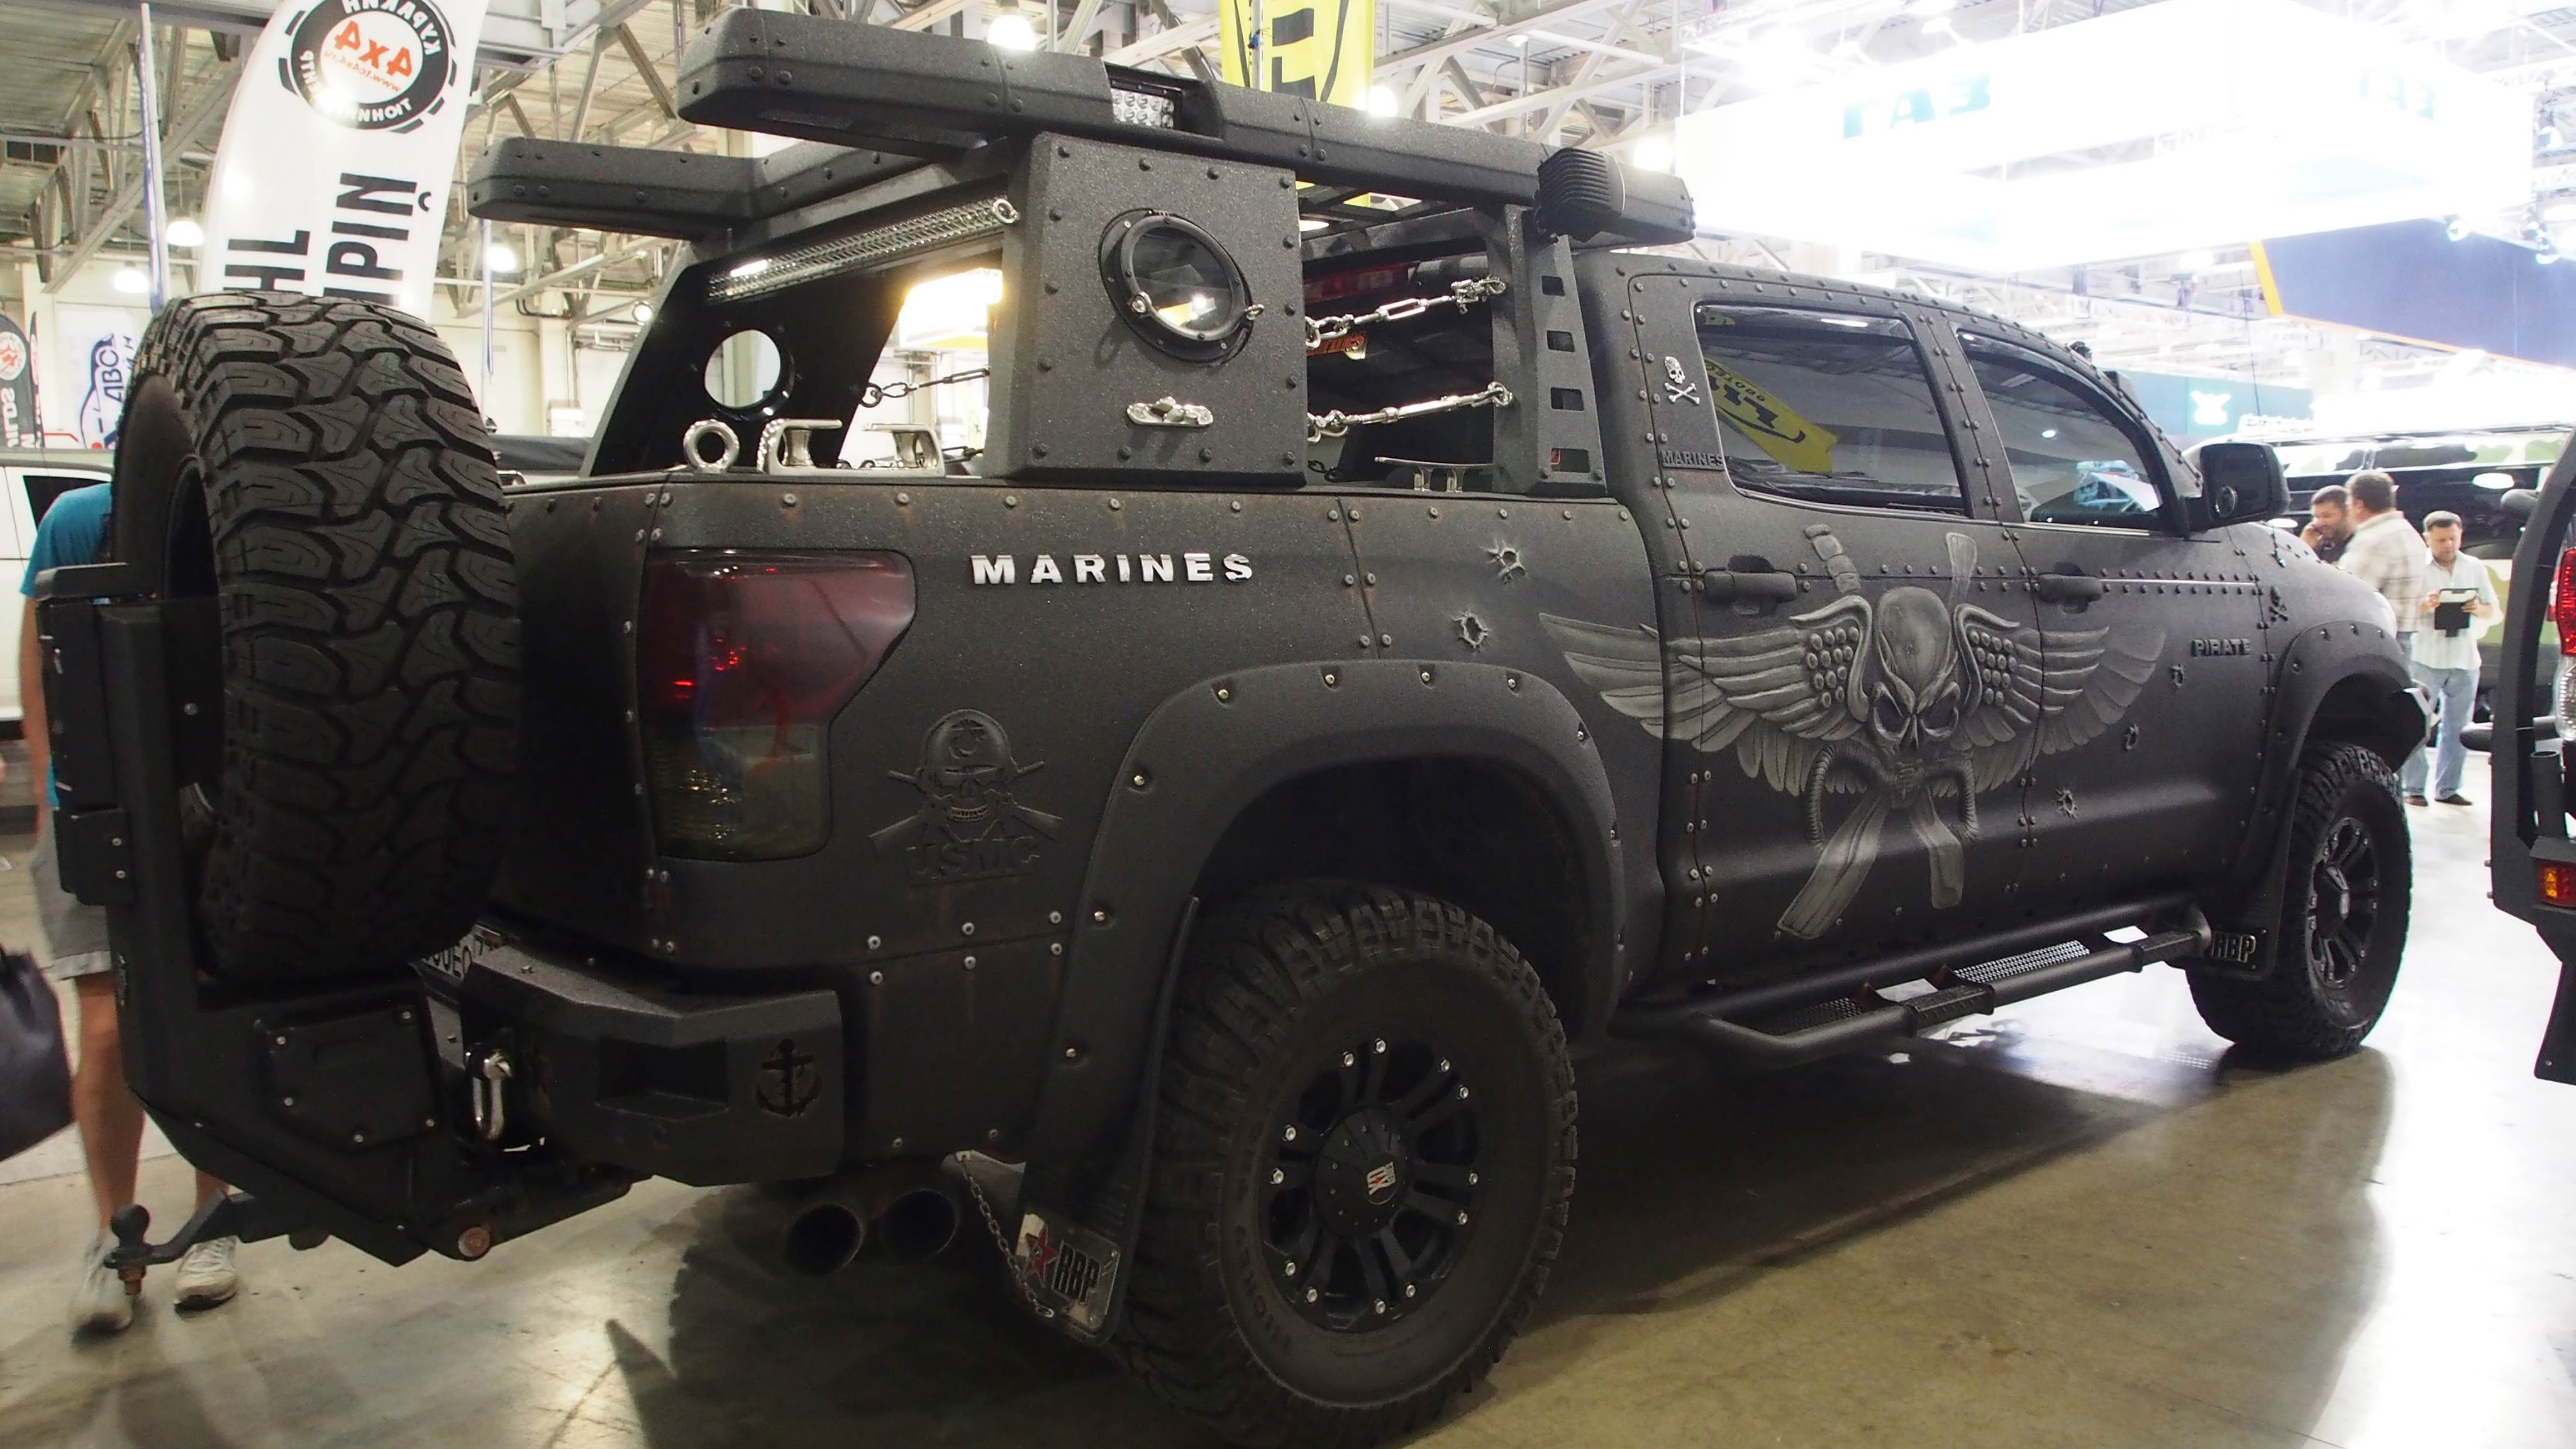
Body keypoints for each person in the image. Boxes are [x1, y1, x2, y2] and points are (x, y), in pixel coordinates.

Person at [21, 483, 240, 1335]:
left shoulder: (237, 506)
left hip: (205, 806)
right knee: (109, 1031)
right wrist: (51, 791)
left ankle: (215, 1218)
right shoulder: (81, 520)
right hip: (96, 806)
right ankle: (113, 1237)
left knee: (208, 1009)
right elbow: (40, 659)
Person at [2402, 510, 2499, 806]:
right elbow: (2400, 612)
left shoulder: (2474, 567)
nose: (2448, 545)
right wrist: (2423, 605)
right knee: (2416, 724)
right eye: (2441, 540)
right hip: (2425, 655)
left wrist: (2477, 608)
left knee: (2459, 727)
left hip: (2464, 657)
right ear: (2427, 538)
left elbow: (2494, 612)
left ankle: (2448, 788)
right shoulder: (2416, 568)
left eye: (2453, 539)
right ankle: (2413, 788)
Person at [2337, 470, 2426, 652]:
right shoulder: (2409, 532)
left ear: (2359, 504)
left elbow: (2350, 595)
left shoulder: (2374, 539)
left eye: (2349, 504)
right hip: (2404, 637)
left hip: (2375, 640)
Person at [2302, 484, 2352, 565]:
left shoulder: (2358, 546)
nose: (2319, 523)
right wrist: (2305, 547)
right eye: (2316, 517)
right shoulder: (2320, 545)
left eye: (2326, 516)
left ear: (2347, 513)